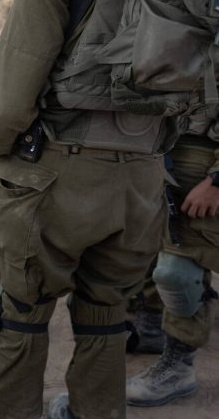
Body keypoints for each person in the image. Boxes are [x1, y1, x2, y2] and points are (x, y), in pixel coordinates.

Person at [0, 0, 180, 417]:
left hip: (57, 170)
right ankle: (94, 411)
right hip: (145, 174)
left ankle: (8, 410)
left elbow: (12, 82)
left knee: (24, 305)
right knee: (107, 308)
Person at [125, 118, 219, 407]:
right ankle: (152, 331)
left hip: (206, 172)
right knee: (146, 248)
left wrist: (217, 181)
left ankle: (178, 367)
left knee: (178, 275)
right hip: (158, 157)